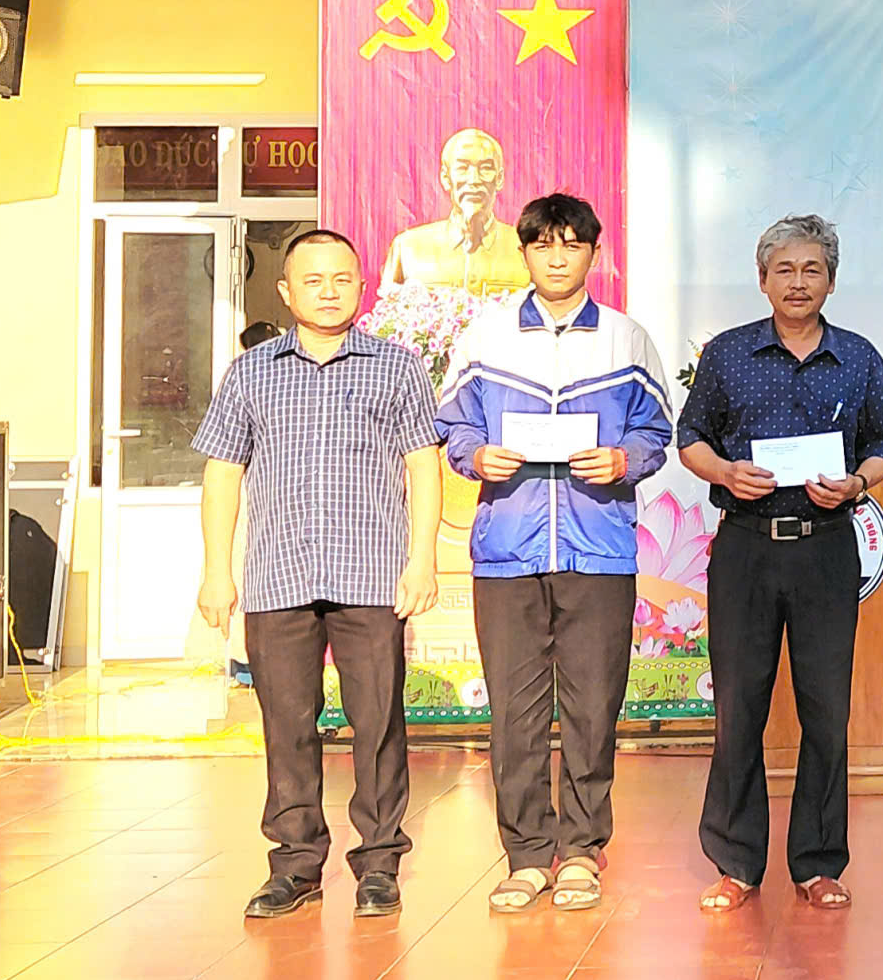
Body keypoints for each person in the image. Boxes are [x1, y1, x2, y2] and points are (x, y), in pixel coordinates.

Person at [193, 229, 442, 921]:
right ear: (285, 291)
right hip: (278, 575)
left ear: (361, 286)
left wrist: (422, 557)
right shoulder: (250, 373)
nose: (328, 291)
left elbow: (423, 464)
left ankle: (379, 862)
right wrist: (217, 571)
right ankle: (296, 864)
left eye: (340, 279)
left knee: (378, 721)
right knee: (287, 723)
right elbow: (222, 473)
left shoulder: (397, 368)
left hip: (372, 576)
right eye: (313, 280)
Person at [436, 193, 673, 914]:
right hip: (508, 551)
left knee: (592, 707)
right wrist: (477, 455)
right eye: (543, 245)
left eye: (573, 244)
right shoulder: (486, 337)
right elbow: (453, 426)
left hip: (598, 550)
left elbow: (656, 432)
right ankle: (527, 855)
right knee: (514, 712)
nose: (558, 257)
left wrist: (623, 459)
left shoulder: (627, 339)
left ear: (594, 254)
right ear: (525, 253)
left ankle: (581, 851)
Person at [676, 213, 883, 915]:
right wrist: (725, 471)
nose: (798, 282)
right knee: (738, 706)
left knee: (826, 709)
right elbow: (691, 437)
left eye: (812, 270)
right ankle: (735, 862)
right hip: (746, 544)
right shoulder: (728, 353)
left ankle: (819, 861)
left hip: (826, 545)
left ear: (831, 280)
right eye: (785, 270)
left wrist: (857, 482)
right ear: (762, 278)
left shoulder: (858, 356)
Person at [382, 127, 531, 294]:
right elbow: (388, 307)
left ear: (499, 178)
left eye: (485, 168)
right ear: (446, 178)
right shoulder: (408, 247)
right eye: (462, 168)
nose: (474, 180)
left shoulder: (526, 248)